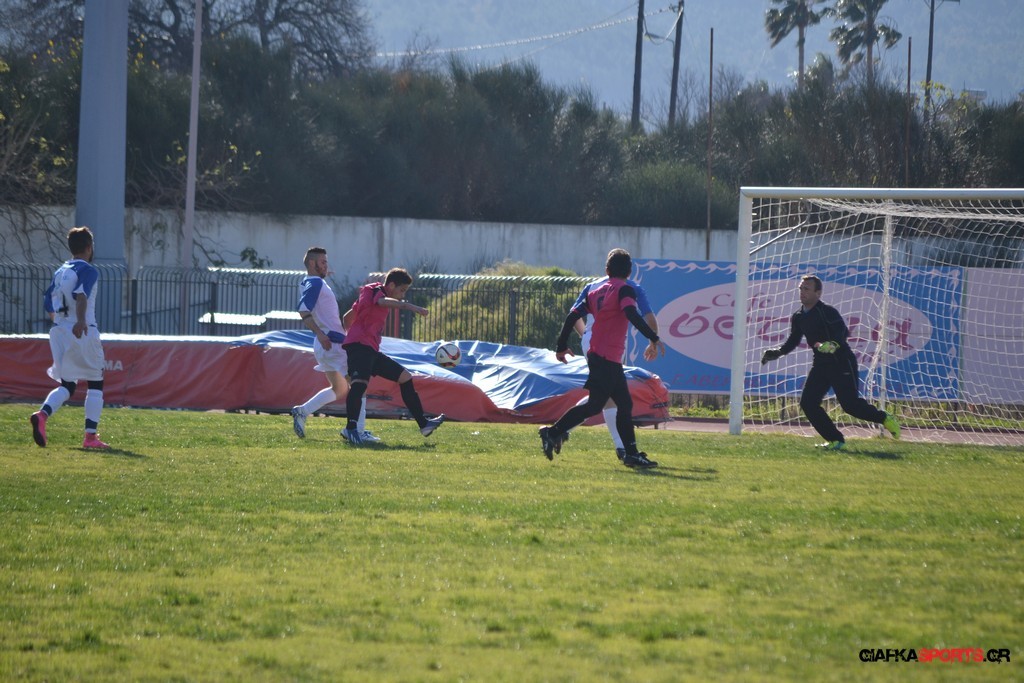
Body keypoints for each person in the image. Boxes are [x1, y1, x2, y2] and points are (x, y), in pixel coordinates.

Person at [539, 248, 665, 468]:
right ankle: (554, 432)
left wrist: (561, 345)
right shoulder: (625, 289)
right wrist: (653, 337)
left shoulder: (596, 290)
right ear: (629, 272)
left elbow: (572, 315)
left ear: (607, 270)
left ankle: (630, 453)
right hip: (607, 356)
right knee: (602, 405)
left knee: (617, 404)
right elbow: (631, 314)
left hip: (600, 354)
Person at [760, 274, 901, 450]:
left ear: (818, 293)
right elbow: (793, 340)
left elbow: (842, 331)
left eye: (807, 289)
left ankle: (884, 418)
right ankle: (835, 440)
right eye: (801, 288)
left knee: (850, 406)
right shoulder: (798, 316)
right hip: (820, 364)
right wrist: (777, 352)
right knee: (808, 403)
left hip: (841, 362)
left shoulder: (827, 311)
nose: (802, 292)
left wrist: (833, 344)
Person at [340, 268, 445, 445]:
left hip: (370, 349)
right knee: (359, 385)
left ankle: (424, 424)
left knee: (405, 377)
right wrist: (410, 307)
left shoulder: (369, 297)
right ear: (391, 285)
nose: (402, 295)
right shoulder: (374, 289)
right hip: (360, 347)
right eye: (402, 290)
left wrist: (352, 332)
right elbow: (381, 302)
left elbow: (347, 317)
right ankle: (351, 429)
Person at [30, 226, 111, 450]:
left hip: (59, 331)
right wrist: (80, 320)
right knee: (96, 381)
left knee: (68, 384)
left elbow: (48, 301)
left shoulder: (60, 271)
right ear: (89, 247)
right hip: (81, 330)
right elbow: (81, 295)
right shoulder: (88, 270)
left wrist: (62, 322)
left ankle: (42, 415)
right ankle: (90, 438)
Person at [569, 274, 659, 462]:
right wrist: (653, 340)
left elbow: (573, 314)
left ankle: (560, 431)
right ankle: (622, 448)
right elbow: (648, 316)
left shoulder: (593, 285)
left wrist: (585, 335)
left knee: (604, 394)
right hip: (611, 343)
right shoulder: (631, 287)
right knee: (609, 396)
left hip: (592, 340)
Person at [290, 247, 376, 441]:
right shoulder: (315, 283)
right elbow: (303, 310)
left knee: (340, 389)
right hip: (332, 344)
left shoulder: (309, 281)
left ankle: (302, 411)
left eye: (326, 262)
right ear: (311, 263)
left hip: (325, 345)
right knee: (360, 385)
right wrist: (321, 334)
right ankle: (358, 431)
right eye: (322, 262)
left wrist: (321, 335)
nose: (326, 265)